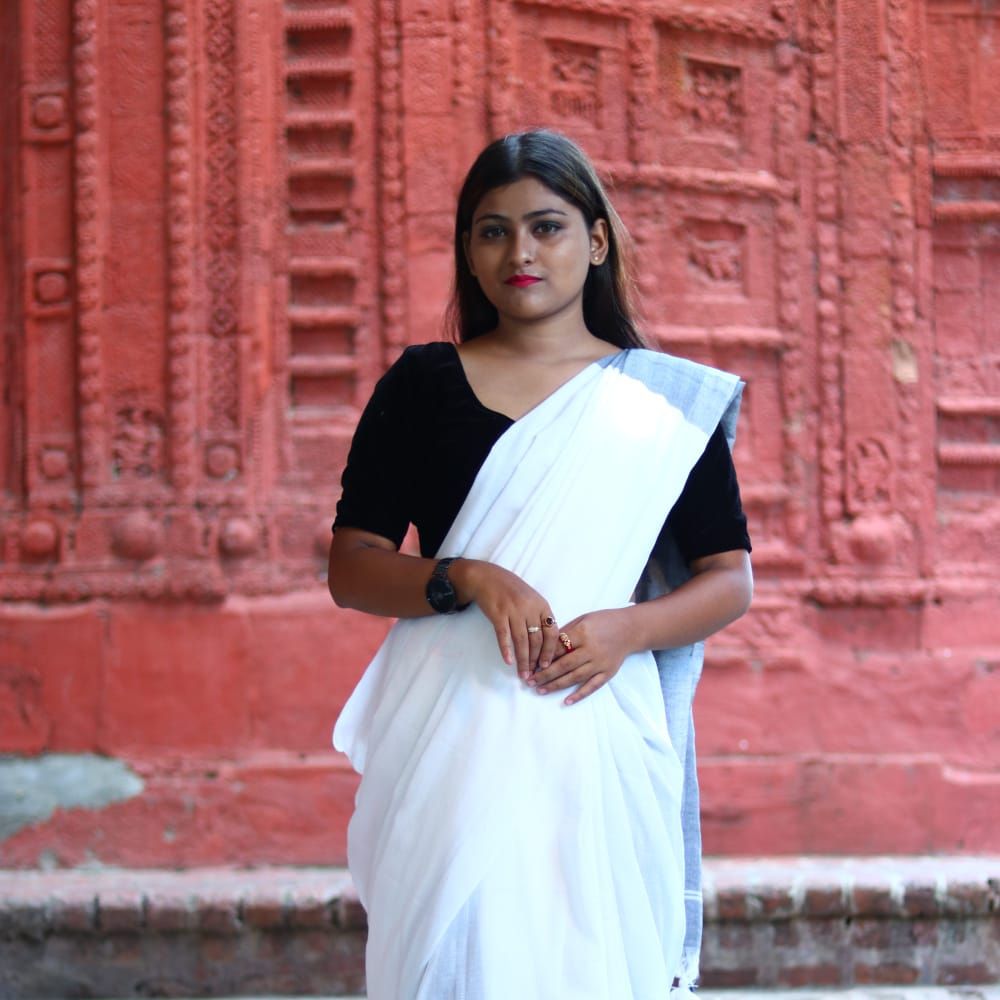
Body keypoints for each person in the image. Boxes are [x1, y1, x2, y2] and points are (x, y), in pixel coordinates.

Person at [328, 129, 753, 1000]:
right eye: (492, 231)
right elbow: (354, 566)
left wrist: (627, 631)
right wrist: (467, 577)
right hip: (450, 729)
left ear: (595, 242)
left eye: (547, 227)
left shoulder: (658, 403)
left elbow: (729, 577)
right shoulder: (421, 385)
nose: (520, 251)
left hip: (594, 729)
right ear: (469, 255)